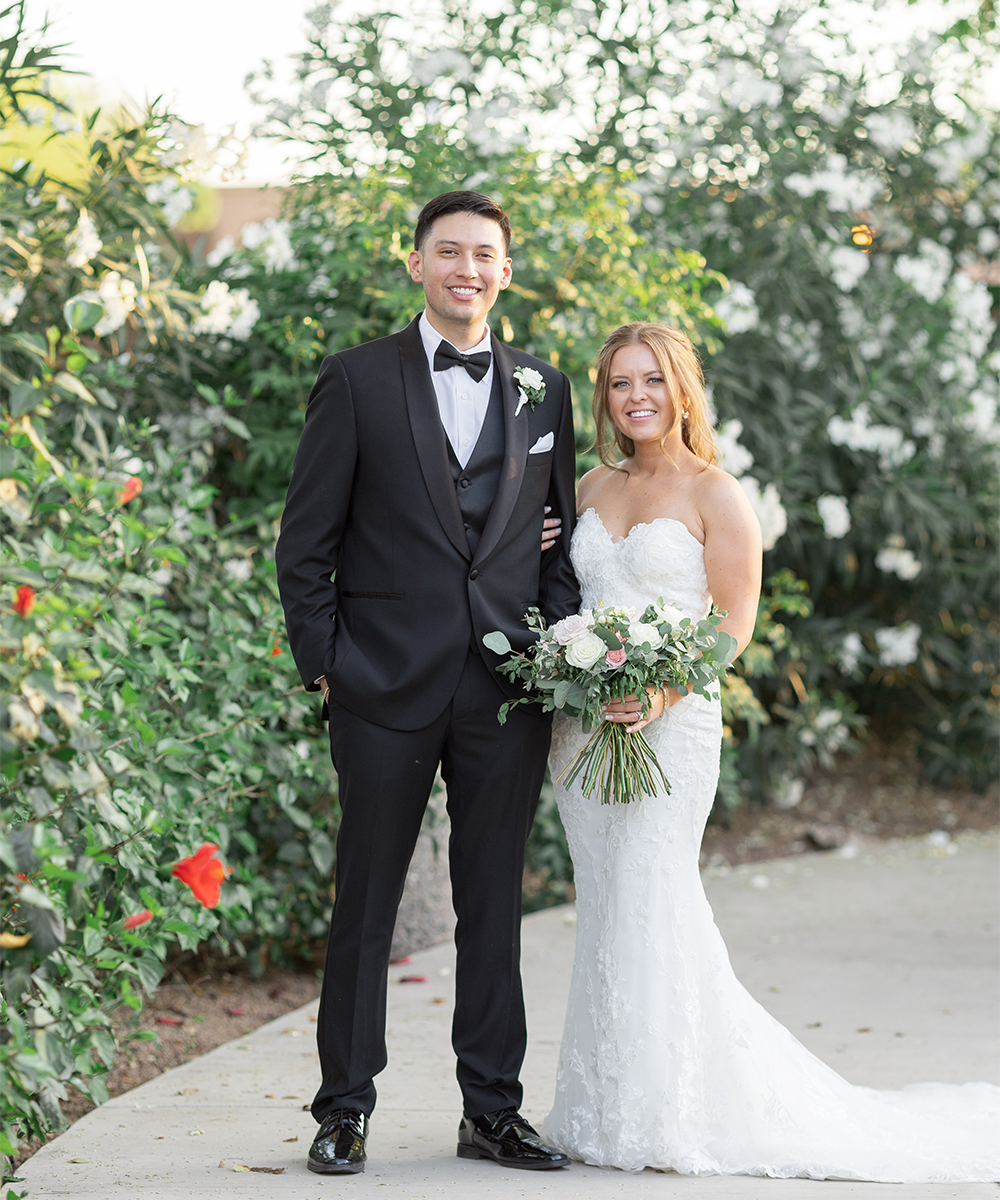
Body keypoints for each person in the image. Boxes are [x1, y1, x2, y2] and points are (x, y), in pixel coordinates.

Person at [540, 321, 1000, 1180]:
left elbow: (733, 626)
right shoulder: (588, 486)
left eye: (651, 380)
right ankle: (602, 1103)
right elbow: (562, 584)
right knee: (605, 902)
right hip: (584, 731)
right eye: (618, 383)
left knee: (654, 892)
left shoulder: (717, 493)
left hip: (669, 728)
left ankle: (675, 1108)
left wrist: (663, 690)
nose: (634, 397)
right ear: (602, 395)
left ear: (682, 389)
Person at [275, 191, 579, 1175]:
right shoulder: (356, 380)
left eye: (483, 254)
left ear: (504, 270)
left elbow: (558, 544)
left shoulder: (545, 387)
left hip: (505, 690)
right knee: (365, 902)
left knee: (493, 903)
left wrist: (555, 650)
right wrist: (328, 668)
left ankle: (491, 1109)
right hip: (380, 685)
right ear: (416, 264)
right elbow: (304, 548)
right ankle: (344, 1108)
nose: (466, 269)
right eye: (448, 252)